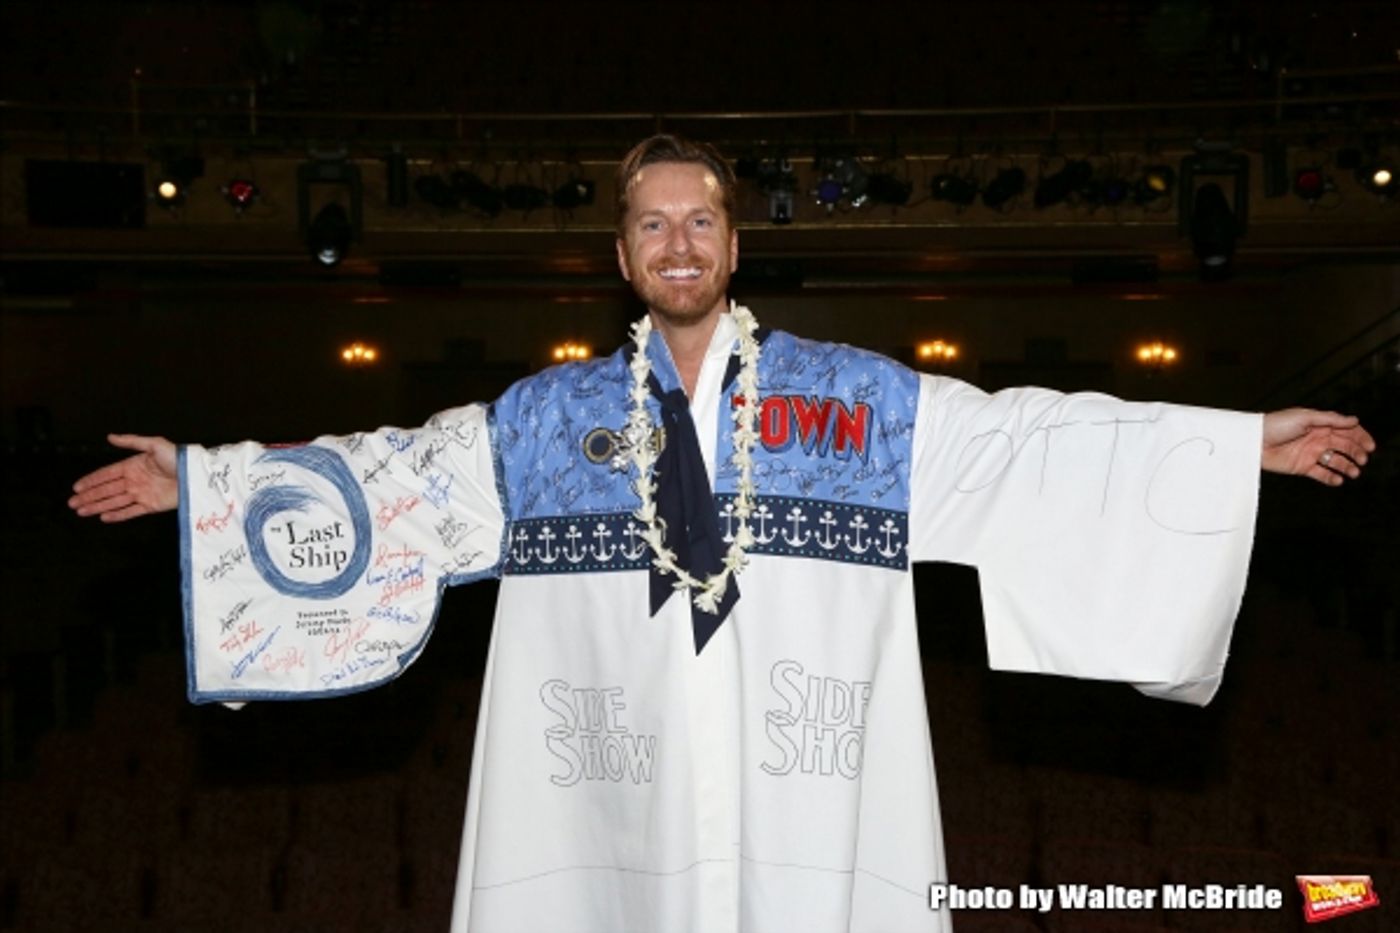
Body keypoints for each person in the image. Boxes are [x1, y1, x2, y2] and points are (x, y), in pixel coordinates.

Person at [70, 135, 1374, 932]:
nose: (679, 241)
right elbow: (399, 478)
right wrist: (208, 482)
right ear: (623, 256)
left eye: (701, 219)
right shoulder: (541, 423)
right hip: (607, 821)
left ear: (734, 242)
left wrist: (1233, 438)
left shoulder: (857, 400)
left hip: (806, 810)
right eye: (653, 223)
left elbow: (1025, 441)